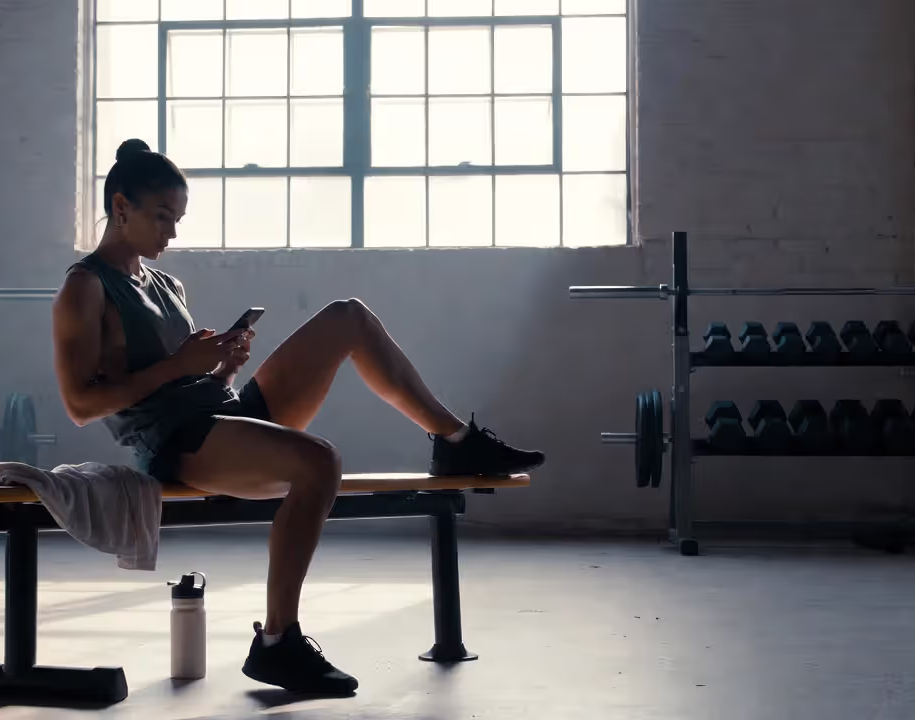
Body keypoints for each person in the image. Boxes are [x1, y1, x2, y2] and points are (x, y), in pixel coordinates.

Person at [52, 139, 545, 695]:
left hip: (218, 412)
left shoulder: (166, 283)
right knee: (319, 463)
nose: (172, 233)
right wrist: (180, 364)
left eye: (178, 219)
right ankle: (277, 642)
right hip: (174, 443)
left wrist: (220, 369)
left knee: (347, 317)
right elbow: (80, 406)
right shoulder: (85, 286)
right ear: (121, 208)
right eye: (163, 217)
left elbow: (190, 382)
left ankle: (455, 439)